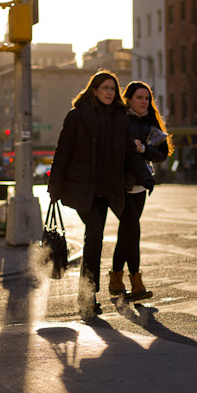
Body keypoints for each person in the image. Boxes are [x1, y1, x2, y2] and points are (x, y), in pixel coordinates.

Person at [48, 71, 154, 318]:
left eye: (113, 89)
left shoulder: (120, 119)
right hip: (82, 188)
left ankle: (98, 289)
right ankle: (87, 297)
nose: (109, 93)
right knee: (94, 232)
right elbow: (63, 151)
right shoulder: (77, 116)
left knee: (107, 233)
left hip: (108, 189)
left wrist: (145, 175)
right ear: (94, 90)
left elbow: (129, 153)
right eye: (105, 88)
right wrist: (55, 185)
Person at [110, 80, 173, 302]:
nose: (144, 102)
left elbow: (162, 154)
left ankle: (115, 280)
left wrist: (144, 148)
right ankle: (136, 284)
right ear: (128, 99)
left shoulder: (151, 122)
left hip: (141, 185)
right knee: (133, 230)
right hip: (121, 185)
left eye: (147, 98)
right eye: (139, 97)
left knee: (126, 232)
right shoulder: (119, 120)